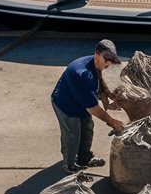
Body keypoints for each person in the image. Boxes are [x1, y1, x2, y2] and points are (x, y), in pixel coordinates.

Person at [51, 39, 126, 173]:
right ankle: (69, 164)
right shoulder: (82, 74)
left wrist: (108, 100)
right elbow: (93, 109)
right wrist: (112, 121)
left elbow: (100, 83)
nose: (109, 63)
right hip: (66, 105)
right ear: (97, 54)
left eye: (111, 59)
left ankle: (84, 158)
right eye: (107, 59)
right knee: (73, 135)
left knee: (87, 129)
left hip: (81, 102)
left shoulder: (97, 64)